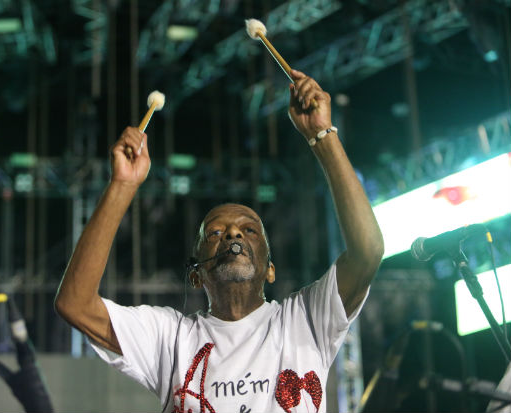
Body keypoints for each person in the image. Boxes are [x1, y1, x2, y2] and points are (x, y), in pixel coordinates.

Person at [55, 70, 384, 413]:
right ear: (196, 275)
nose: (233, 233)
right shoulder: (172, 338)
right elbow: (75, 305)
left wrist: (322, 135)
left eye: (250, 230)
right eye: (215, 232)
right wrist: (121, 186)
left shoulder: (304, 320)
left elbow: (368, 252)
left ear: (270, 270)